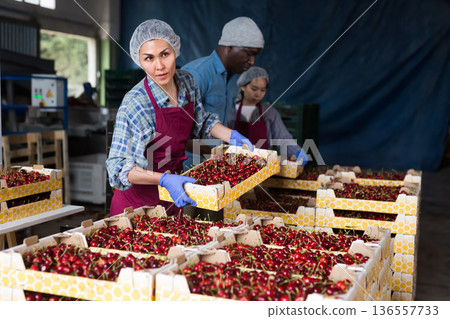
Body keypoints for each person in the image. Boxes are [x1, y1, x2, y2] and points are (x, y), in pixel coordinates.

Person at [106, 19, 253, 217]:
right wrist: (165, 180)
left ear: (175, 50)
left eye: (165, 54)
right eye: (149, 58)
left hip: (174, 196)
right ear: (138, 61)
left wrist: (231, 135)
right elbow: (119, 168)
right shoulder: (136, 103)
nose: (159, 66)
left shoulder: (187, 82)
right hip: (137, 206)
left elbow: (201, 121)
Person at [182, 16, 264, 170]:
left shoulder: (233, 79)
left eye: (255, 56)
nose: (252, 62)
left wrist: (228, 149)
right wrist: (213, 152)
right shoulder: (197, 74)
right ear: (229, 47)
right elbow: (176, 130)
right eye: (249, 54)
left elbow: (220, 119)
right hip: (187, 168)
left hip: (213, 166)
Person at [228, 66, 309, 164]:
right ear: (243, 86)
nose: (258, 94)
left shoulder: (269, 112)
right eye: (254, 89)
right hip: (234, 167)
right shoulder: (230, 111)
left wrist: (297, 152)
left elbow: (282, 138)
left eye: (262, 90)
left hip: (263, 168)